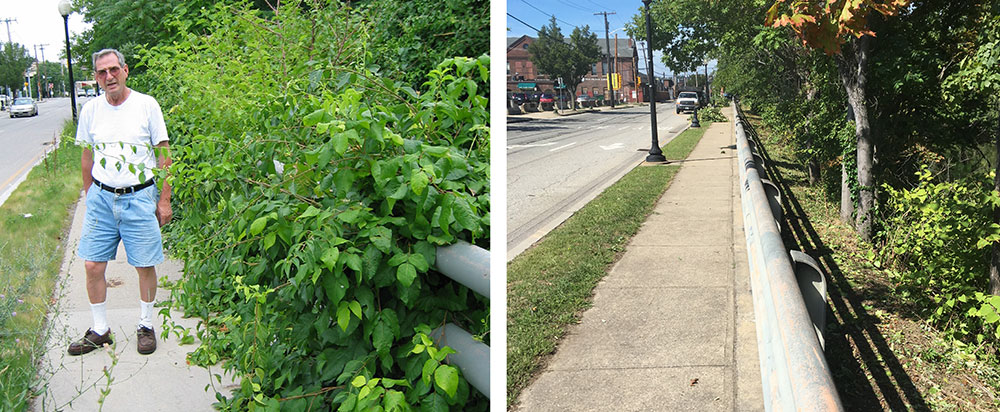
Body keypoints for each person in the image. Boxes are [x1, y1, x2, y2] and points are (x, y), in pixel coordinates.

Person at [68, 48, 172, 356]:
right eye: (102, 72)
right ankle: (100, 330)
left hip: (139, 197)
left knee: (144, 264)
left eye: (114, 69)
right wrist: (90, 195)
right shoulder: (91, 110)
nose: (109, 76)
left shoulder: (146, 105)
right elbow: (87, 156)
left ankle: (145, 324)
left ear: (125, 70)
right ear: (96, 78)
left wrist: (164, 200)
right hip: (101, 198)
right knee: (92, 264)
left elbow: (163, 155)